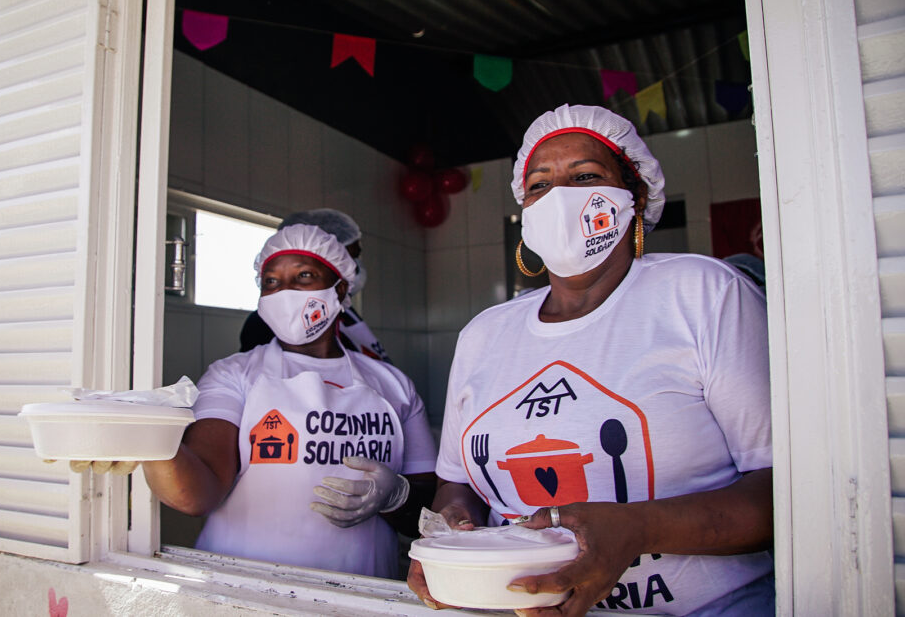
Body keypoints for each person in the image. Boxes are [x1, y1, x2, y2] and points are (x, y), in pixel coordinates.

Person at [408, 105, 773, 615]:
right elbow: (460, 482)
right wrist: (450, 532)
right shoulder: (484, 335)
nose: (559, 198)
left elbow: (782, 491)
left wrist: (638, 528)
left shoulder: (704, 295)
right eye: (539, 186)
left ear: (635, 196)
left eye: (584, 176)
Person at [144, 224, 437, 579]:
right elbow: (195, 495)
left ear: (339, 289)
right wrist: (150, 438)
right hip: (242, 588)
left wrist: (397, 497)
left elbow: (433, 509)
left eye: (304, 277)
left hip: (364, 591)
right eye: (271, 282)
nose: (285, 292)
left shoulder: (394, 386)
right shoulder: (233, 375)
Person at [239, 208, 393, 363]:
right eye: (348, 257)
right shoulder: (271, 322)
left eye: (355, 257)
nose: (355, 267)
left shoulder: (344, 312)